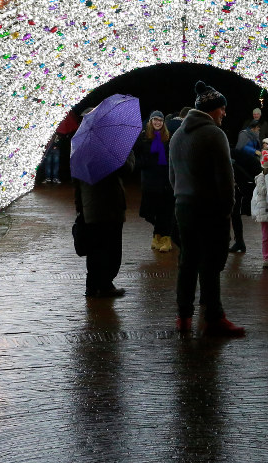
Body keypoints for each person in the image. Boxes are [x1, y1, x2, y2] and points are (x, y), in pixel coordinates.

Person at [168, 81, 244, 336]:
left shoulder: (178, 135)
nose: (224, 113)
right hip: (210, 208)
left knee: (187, 261)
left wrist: (182, 197)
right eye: (222, 109)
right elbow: (225, 179)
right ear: (212, 109)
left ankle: (184, 317)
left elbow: (172, 177)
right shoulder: (214, 134)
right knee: (211, 264)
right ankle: (214, 317)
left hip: (184, 206)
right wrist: (227, 211)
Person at [74, 147, 136, 298]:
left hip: (90, 206)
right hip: (110, 205)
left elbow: (76, 179)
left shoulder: (81, 149)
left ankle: (93, 286)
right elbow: (127, 169)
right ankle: (104, 284)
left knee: (95, 248)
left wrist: (79, 205)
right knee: (111, 248)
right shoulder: (112, 149)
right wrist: (126, 152)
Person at [135, 110, 176, 252]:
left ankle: (165, 238)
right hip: (150, 181)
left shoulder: (168, 138)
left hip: (166, 181)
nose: (157, 122)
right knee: (150, 212)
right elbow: (136, 158)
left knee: (166, 210)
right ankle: (157, 235)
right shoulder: (143, 138)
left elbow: (172, 158)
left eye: (160, 120)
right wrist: (144, 162)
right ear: (150, 121)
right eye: (155, 120)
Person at [250, 139, 268, 266]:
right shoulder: (260, 177)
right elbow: (262, 191)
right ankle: (266, 257)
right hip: (264, 210)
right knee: (265, 237)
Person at [229, 143, 261, 252]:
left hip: (244, 184)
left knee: (235, 212)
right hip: (242, 184)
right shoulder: (233, 153)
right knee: (234, 212)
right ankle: (238, 242)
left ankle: (238, 242)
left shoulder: (229, 154)